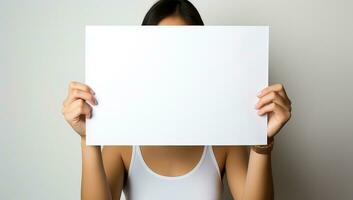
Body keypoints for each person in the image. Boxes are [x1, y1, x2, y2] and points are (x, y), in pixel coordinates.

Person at [61, 0, 292, 199]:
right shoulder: (123, 140)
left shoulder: (224, 137)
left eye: (184, 50)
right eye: (162, 49)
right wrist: (87, 139)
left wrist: (263, 140)